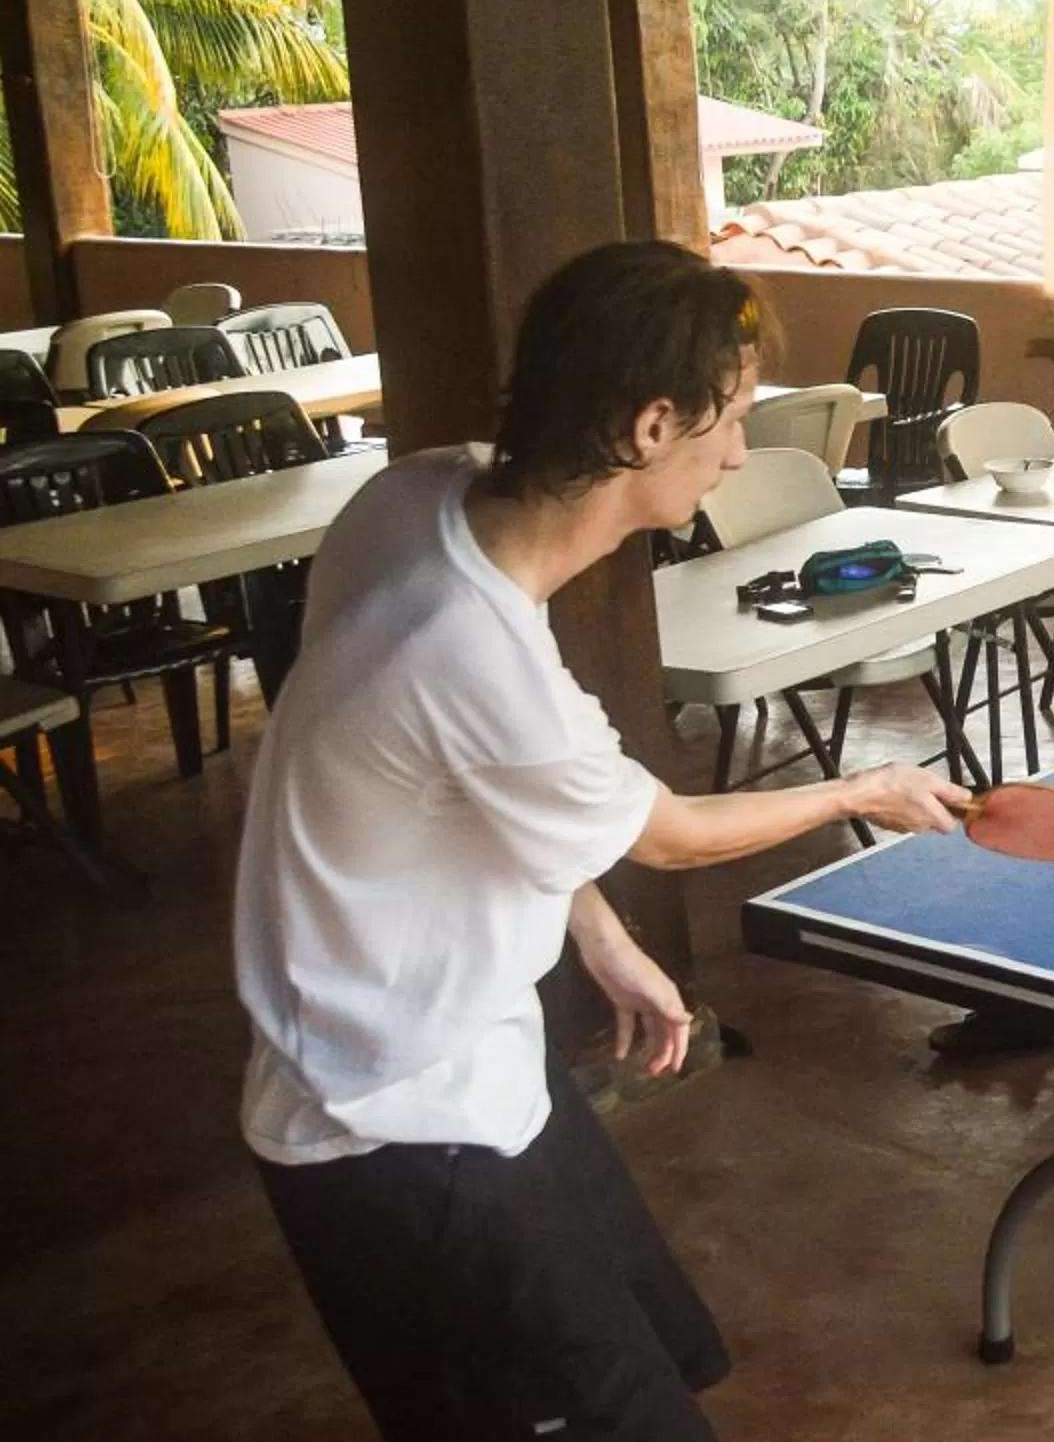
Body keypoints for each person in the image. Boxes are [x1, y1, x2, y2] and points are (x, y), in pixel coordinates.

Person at [234, 240, 972, 1439]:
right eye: (727, 421)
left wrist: (601, 932)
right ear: (648, 425)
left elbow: (484, 781)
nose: (739, 452)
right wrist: (859, 790)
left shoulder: (418, 496)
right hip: (398, 1129)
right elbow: (672, 831)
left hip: (471, 1058)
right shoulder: (465, 643)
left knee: (660, 1359)